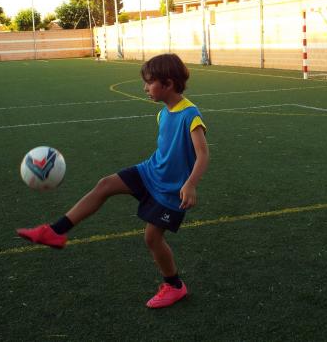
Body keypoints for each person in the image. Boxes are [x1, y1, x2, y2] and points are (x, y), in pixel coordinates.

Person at [17, 53, 210, 309]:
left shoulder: (190, 114)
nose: (144, 88)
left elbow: (203, 154)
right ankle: (55, 231)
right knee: (105, 184)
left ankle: (175, 286)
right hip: (150, 172)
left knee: (152, 238)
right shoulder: (164, 113)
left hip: (172, 189)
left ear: (168, 83)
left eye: (149, 82)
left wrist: (190, 184)